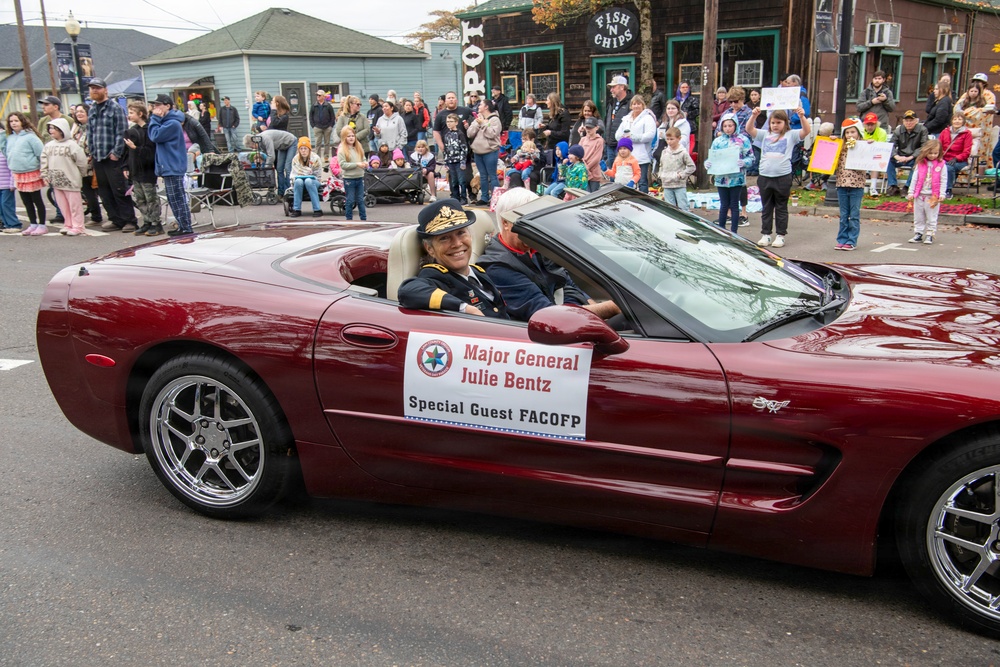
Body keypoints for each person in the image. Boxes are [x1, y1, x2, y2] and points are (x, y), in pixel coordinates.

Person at [478, 188, 622, 323]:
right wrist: (613, 308)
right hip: (548, 333)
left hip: (572, 316)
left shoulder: (536, 247)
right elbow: (547, 314)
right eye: (525, 221)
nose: (534, 227)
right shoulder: (497, 266)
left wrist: (598, 313)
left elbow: (566, 282)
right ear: (505, 223)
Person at [398, 199, 509, 318]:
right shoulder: (435, 277)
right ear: (430, 249)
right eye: (444, 238)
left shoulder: (477, 272)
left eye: (461, 233)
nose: (457, 244)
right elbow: (407, 291)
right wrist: (464, 308)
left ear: (470, 236)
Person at [746, 106, 811, 248]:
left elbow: (806, 131)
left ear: (785, 123)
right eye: (773, 122)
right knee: (766, 207)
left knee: (781, 207)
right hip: (765, 176)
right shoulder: (764, 134)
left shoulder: (791, 135)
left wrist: (801, 116)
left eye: (778, 122)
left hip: (782, 176)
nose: (775, 125)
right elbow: (749, 129)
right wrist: (754, 116)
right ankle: (766, 234)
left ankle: (780, 235)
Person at [86, 78, 138, 232]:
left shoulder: (115, 108)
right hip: (98, 156)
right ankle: (115, 219)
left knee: (119, 189)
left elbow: (121, 132)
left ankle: (129, 220)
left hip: (112, 157)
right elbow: (90, 132)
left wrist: (116, 153)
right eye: (92, 88)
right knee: (104, 191)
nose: (94, 91)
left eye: (98, 88)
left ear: (105, 90)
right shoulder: (92, 109)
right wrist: (92, 151)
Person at [146, 94, 194, 237]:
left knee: (177, 198)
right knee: (173, 198)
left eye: (158, 105)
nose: (155, 108)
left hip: (173, 165)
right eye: (154, 105)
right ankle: (183, 225)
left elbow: (155, 136)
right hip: (169, 165)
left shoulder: (172, 123)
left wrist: (154, 118)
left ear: (167, 106)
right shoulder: (167, 122)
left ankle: (185, 226)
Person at [705, 115, 754, 232]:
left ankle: (734, 231)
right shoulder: (718, 141)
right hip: (721, 178)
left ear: (735, 125)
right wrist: (707, 163)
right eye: (725, 126)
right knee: (723, 205)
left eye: (730, 125)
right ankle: (721, 230)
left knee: (734, 205)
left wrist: (744, 162)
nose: (728, 128)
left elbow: (751, 157)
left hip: (737, 178)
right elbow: (712, 157)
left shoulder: (743, 140)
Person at [40, 117, 87, 236]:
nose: (51, 131)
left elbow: (81, 161)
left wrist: (81, 174)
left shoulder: (72, 145)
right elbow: (44, 160)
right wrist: (44, 174)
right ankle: (68, 224)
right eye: (50, 128)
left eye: (54, 128)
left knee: (74, 205)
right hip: (56, 181)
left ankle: (78, 226)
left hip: (71, 180)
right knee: (62, 204)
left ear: (62, 130)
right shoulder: (48, 145)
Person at [122, 102, 162, 236]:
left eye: (132, 113)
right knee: (140, 198)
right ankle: (147, 222)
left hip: (147, 169)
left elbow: (151, 152)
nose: (129, 116)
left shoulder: (150, 129)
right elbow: (127, 152)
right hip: (135, 169)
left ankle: (156, 223)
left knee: (151, 197)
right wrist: (126, 166)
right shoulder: (132, 130)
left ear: (140, 114)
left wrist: (136, 148)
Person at [5, 113, 46, 234]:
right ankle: (33, 223)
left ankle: (42, 224)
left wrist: (42, 170)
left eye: (16, 120)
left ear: (22, 121)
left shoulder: (31, 137)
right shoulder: (10, 137)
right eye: (11, 121)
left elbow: (41, 154)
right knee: (26, 201)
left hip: (31, 172)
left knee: (36, 200)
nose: (13, 123)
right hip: (18, 173)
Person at [832, 118, 868, 250]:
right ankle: (841, 239)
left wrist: (869, 144)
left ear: (858, 133)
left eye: (853, 132)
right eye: (847, 133)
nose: (850, 135)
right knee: (843, 215)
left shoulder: (863, 146)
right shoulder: (841, 147)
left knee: (853, 215)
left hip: (856, 186)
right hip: (842, 184)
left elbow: (871, 151)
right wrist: (831, 141)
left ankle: (851, 240)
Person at [36, 95, 72, 224]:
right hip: (50, 158)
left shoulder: (67, 120)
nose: (43, 107)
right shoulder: (43, 121)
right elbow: (40, 139)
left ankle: (72, 213)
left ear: (56, 106)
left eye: (46, 104)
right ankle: (60, 212)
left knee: (69, 187)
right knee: (54, 187)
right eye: (43, 104)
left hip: (65, 158)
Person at [906, 139, 947, 245]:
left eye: (935, 153)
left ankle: (930, 234)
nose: (933, 155)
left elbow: (943, 180)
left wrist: (942, 194)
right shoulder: (920, 163)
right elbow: (914, 179)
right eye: (930, 153)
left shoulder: (941, 165)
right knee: (918, 216)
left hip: (932, 196)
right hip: (920, 194)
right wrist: (911, 192)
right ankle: (918, 233)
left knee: (931, 216)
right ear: (925, 152)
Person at [613, 95, 657, 192]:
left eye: (639, 104)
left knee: (642, 181)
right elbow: (617, 135)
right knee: (626, 180)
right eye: (634, 104)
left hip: (642, 155)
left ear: (643, 105)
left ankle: (644, 204)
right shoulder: (626, 119)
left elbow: (650, 135)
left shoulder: (648, 118)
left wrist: (633, 137)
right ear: (631, 105)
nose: (636, 106)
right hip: (626, 156)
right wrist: (625, 138)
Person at [70, 104, 103, 224]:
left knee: (101, 192)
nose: (79, 114)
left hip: (94, 163)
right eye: (77, 112)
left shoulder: (94, 127)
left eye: (82, 111)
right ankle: (96, 216)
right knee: (88, 193)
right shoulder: (76, 128)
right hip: (80, 165)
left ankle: (114, 217)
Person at [467, 98, 503, 205]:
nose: (478, 107)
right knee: (482, 175)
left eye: (480, 105)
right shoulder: (477, 118)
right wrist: (478, 123)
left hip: (490, 151)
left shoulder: (495, 120)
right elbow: (469, 133)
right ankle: (484, 197)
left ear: (486, 107)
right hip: (478, 151)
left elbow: (492, 134)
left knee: (492, 175)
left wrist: (483, 124)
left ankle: (495, 198)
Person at [955, 82, 996, 169]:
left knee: (974, 151)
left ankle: (973, 172)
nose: (973, 93)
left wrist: (970, 112)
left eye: (975, 91)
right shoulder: (963, 102)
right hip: (963, 129)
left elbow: (982, 114)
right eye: (971, 91)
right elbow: (957, 111)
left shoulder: (982, 102)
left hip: (976, 131)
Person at [887, 111, 928, 196]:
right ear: (903, 122)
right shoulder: (898, 130)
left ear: (916, 121)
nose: (909, 123)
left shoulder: (923, 130)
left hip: (914, 157)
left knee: (920, 162)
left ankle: (907, 186)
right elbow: (891, 145)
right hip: (901, 156)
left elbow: (924, 146)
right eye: (906, 121)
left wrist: (911, 156)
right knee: (888, 161)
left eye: (911, 120)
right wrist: (896, 156)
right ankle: (893, 186)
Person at [244, 128, 297, 194]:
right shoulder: (260, 143)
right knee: (279, 169)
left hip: (291, 142)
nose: (253, 149)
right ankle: (281, 192)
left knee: (287, 168)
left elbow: (271, 156)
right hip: (281, 146)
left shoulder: (265, 138)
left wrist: (266, 167)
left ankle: (290, 191)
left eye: (252, 147)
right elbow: (267, 155)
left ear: (254, 142)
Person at [657, 126, 696, 211]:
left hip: (679, 184)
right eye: (667, 139)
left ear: (679, 138)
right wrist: (660, 175)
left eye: (672, 139)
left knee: (683, 207)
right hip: (666, 183)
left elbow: (692, 167)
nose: (669, 141)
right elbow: (661, 165)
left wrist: (681, 175)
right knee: (670, 208)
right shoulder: (664, 152)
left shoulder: (683, 152)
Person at [938, 113, 972, 199]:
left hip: (960, 161)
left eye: (959, 119)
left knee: (948, 168)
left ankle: (948, 190)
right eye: (955, 119)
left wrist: (957, 158)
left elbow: (967, 151)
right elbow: (938, 145)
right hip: (944, 158)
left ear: (963, 121)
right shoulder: (944, 132)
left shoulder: (967, 133)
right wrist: (940, 155)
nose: (957, 121)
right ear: (952, 121)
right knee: (936, 165)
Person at [337, 126, 367, 221]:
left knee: (361, 200)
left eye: (352, 135)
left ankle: (364, 219)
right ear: (344, 137)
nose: (351, 138)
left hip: (359, 177)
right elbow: (343, 165)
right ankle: (348, 219)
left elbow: (363, 158)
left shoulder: (359, 147)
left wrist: (365, 163)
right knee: (350, 200)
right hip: (349, 179)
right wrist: (356, 164)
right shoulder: (342, 150)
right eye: (348, 136)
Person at [433, 91, 474, 158]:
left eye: (453, 98)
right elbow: (436, 131)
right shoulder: (440, 115)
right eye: (449, 98)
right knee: (451, 168)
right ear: (445, 101)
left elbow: (478, 116)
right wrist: (441, 145)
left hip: (464, 148)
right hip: (448, 149)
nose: (451, 99)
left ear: (456, 100)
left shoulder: (465, 110)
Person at [289, 136, 322, 217]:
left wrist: (306, 174)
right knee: (298, 181)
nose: (303, 151)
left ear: (309, 149)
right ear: (299, 150)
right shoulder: (295, 159)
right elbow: (295, 173)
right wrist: (306, 173)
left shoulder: (315, 158)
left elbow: (317, 174)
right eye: (301, 149)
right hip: (299, 180)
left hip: (314, 181)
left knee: (308, 181)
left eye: (305, 148)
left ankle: (317, 209)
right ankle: (297, 209)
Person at [441, 113, 469, 204]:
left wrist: (463, 161)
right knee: (453, 181)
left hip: (459, 161)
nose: (449, 123)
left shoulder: (460, 134)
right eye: (447, 122)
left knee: (462, 180)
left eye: (451, 121)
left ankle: (464, 198)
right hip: (450, 161)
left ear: (456, 122)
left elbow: (464, 148)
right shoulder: (446, 135)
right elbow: (445, 149)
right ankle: (455, 197)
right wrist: (446, 161)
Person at [860, 112, 888, 196]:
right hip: (863, 155)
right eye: (868, 125)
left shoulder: (882, 132)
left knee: (875, 163)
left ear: (876, 124)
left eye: (872, 124)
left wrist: (873, 143)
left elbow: (881, 147)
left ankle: (873, 187)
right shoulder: (861, 131)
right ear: (864, 125)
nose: (870, 127)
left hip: (876, 155)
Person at [604, 75, 630, 163]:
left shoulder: (631, 103)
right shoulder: (611, 102)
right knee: (612, 172)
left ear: (622, 87)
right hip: (610, 144)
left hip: (623, 145)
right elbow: (607, 121)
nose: (611, 90)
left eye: (613, 87)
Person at [579, 117, 605, 192]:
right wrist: (583, 167)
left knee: (593, 196)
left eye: (591, 127)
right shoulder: (582, 139)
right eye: (587, 127)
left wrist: (587, 167)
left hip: (594, 174)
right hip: (583, 173)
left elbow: (597, 158)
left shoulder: (599, 141)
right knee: (584, 194)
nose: (588, 129)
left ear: (596, 128)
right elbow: (578, 154)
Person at [310, 90, 336, 162]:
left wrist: (331, 126)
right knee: (317, 143)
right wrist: (313, 126)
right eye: (317, 95)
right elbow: (310, 116)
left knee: (326, 143)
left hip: (327, 127)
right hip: (317, 127)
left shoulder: (328, 106)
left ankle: (326, 157)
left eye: (319, 95)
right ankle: (317, 158)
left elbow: (332, 117)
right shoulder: (314, 106)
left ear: (323, 97)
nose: (318, 97)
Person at [0, 131, 17, 233]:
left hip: (6, 184)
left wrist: (12, 183)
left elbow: (12, 168)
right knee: (1, 206)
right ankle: (5, 223)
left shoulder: (6, 151)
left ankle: (13, 224)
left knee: (6, 204)